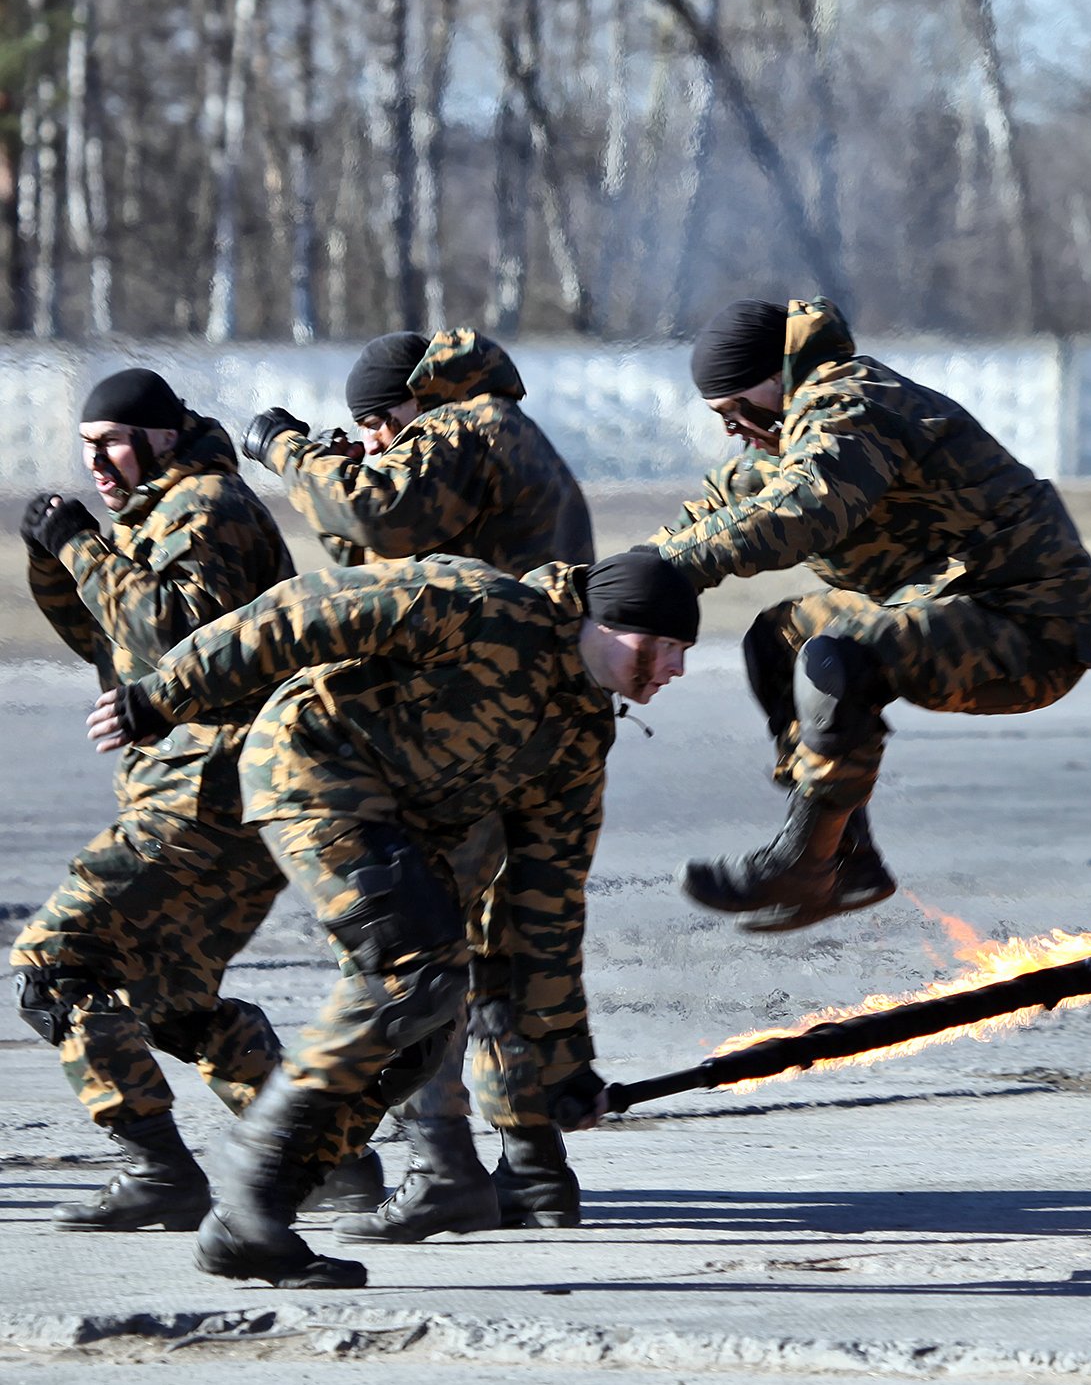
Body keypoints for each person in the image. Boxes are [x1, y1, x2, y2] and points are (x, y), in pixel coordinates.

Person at [87, 550, 697, 1287]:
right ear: (611, 623)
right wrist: (165, 694)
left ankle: (254, 1222)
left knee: (424, 1029)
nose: (675, 669)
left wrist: (563, 1065)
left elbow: (547, 903)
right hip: (311, 766)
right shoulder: (480, 605)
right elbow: (304, 611)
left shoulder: (578, 734)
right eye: (665, 646)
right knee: (413, 975)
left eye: (684, 653)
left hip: (406, 827)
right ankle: (248, 1181)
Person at [238, 328, 597, 1243]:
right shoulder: (504, 445)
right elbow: (375, 552)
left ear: (415, 402)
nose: (366, 443)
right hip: (538, 727)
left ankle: (442, 1167)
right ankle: (534, 1168)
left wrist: (285, 444)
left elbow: (376, 518)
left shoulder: (468, 423)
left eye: (374, 422)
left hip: (467, 734)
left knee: (420, 946)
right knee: (504, 943)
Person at [650, 295, 1091, 931]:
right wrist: (609, 591)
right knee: (779, 637)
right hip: (950, 608)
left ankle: (806, 859)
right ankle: (847, 858)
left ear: (777, 373)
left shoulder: (849, 401)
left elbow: (805, 509)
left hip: (1026, 624)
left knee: (839, 659)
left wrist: (675, 570)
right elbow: (709, 517)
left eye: (736, 408)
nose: (733, 427)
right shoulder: (784, 430)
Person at [11, 369, 297, 1231]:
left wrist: (81, 547)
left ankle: (160, 1171)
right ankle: (325, 1160)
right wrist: (55, 554)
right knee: (173, 1002)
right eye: (88, 444)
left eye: (115, 442)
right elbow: (107, 640)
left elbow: (174, 638)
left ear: (164, 437)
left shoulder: (206, 506)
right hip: (212, 796)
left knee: (56, 959)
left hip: (205, 797)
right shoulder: (162, 510)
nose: (98, 461)